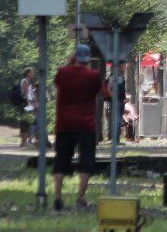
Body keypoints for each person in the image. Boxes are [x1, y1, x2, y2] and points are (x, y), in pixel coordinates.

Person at [53, 44, 107, 211]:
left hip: (64, 124)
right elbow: (104, 93)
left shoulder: (63, 72)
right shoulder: (93, 75)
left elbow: (57, 87)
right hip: (86, 124)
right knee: (86, 162)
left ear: (75, 56)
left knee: (61, 160)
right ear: (88, 58)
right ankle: (80, 197)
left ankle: (57, 197)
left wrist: (70, 63)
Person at [104, 62, 128, 144]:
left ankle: (117, 139)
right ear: (121, 66)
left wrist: (124, 98)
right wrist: (113, 98)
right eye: (124, 65)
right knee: (116, 120)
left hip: (121, 101)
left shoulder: (121, 76)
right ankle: (115, 140)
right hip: (116, 101)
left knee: (118, 120)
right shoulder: (114, 76)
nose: (125, 67)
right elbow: (109, 88)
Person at [18, 68, 36, 147]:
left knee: (27, 122)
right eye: (32, 72)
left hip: (27, 104)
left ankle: (24, 141)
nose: (33, 74)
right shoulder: (25, 81)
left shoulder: (27, 81)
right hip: (26, 104)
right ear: (27, 73)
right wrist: (29, 104)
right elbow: (26, 93)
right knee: (25, 122)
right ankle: (23, 142)